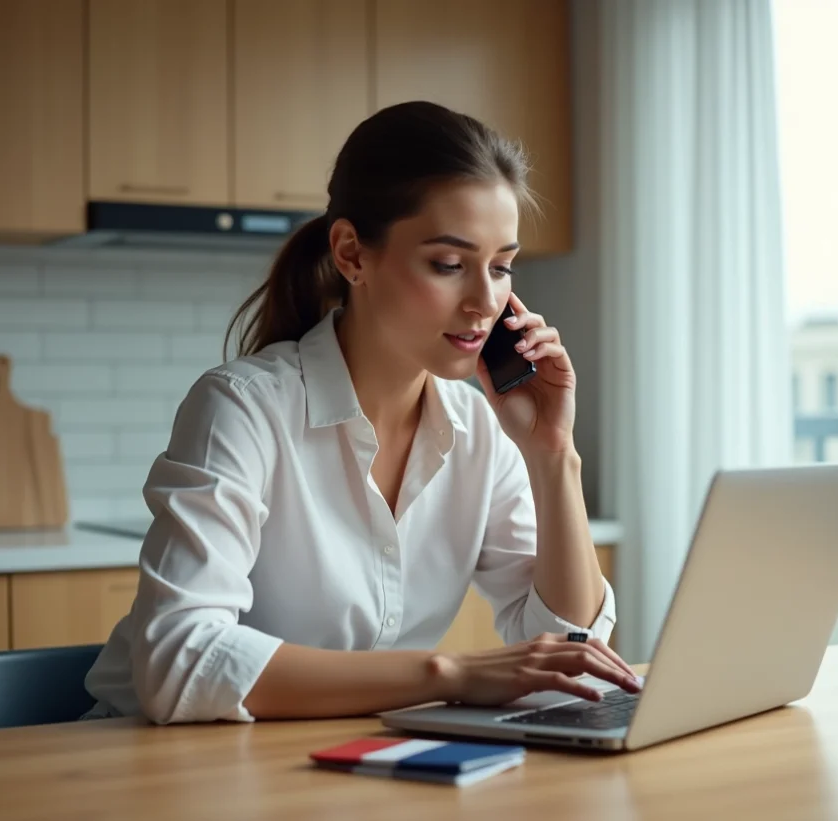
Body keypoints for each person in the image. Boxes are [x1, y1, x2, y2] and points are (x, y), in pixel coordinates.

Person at [82, 101, 639, 725]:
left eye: (502, 266)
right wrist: (447, 673)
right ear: (351, 254)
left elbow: (572, 658)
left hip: (340, 764)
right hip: (154, 768)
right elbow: (178, 661)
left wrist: (554, 452)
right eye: (449, 265)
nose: (486, 301)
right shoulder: (244, 407)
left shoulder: (480, 429)